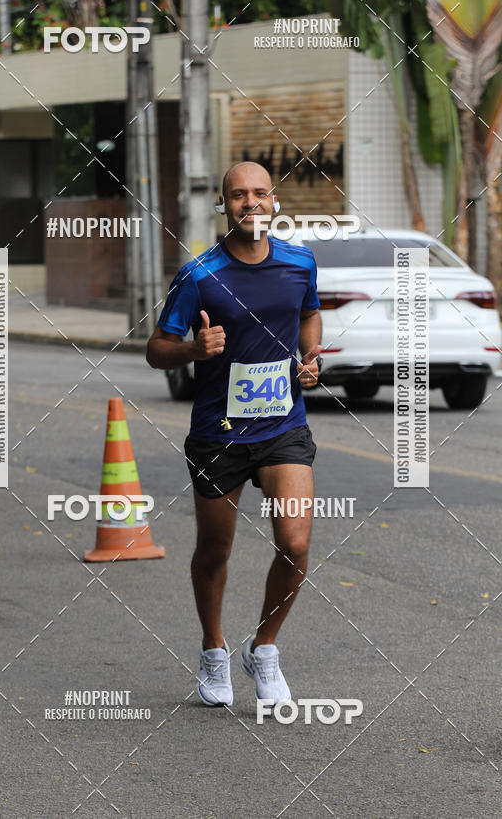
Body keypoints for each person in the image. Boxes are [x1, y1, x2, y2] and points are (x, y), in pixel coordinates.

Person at [146, 161, 322, 707]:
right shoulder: (200, 274)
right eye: (238, 194)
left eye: (260, 193)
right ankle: (213, 649)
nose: (251, 202)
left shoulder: (299, 263)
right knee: (215, 549)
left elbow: (309, 313)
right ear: (224, 204)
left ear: (275, 202)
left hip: (282, 426)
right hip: (218, 434)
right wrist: (194, 351)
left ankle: (263, 648)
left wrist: (310, 357)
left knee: (294, 544)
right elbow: (156, 349)